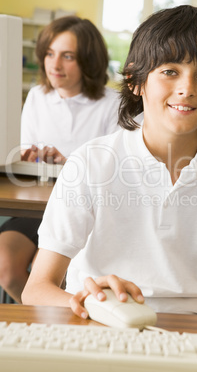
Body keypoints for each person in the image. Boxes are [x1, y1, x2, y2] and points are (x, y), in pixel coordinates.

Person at [22, 6, 197, 317]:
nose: (186, 89)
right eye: (169, 71)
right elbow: (37, 288)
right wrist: (91, 303)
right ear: (135, 80)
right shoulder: (91, 162)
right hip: (101, 323)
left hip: (192, 334)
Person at [0, 15, 120, 303]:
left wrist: (71, 165)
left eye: (68, 56)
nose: (55, 65)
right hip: (37, 205)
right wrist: (29, 158)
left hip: (83, 209)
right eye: (50, 54)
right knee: (6, 267)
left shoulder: (112, 104)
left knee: (61, 274)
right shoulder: (37, 97)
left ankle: (60, 321)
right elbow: (25, 158)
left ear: (88, 61)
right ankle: (40, 319)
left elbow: (115, 170)